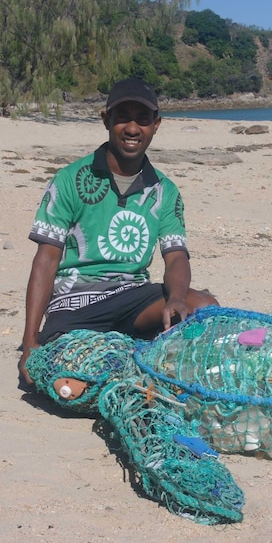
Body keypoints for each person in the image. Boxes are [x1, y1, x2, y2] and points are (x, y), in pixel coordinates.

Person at [18, 78, 218, 389]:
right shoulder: (70, 179)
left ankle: (153, 360)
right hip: (76, 304)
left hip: (133, 299)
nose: (133, 128)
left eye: (143, 118)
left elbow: (176, 255)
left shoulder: (164, 191)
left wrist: (176, 298)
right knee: (71, 388)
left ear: (157, 124)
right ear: (106, 120)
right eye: (123, 116)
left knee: (204, 308)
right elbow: (46, 260)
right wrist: (30, 340)